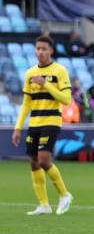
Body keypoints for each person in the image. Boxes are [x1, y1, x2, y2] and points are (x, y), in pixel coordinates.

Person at [11, 35, 73, 215]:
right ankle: (44, 205)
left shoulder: (59, 71)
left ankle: (64, 194)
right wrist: (17, 127)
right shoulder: (30, 73)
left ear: (51, 51)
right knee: (33, 162)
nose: (40, 52)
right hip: (35, 123)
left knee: (44, 160)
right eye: (38, 48)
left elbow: (66, 99)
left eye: (44, 49)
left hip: (51, 121)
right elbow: (26, 104)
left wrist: (46, 84)